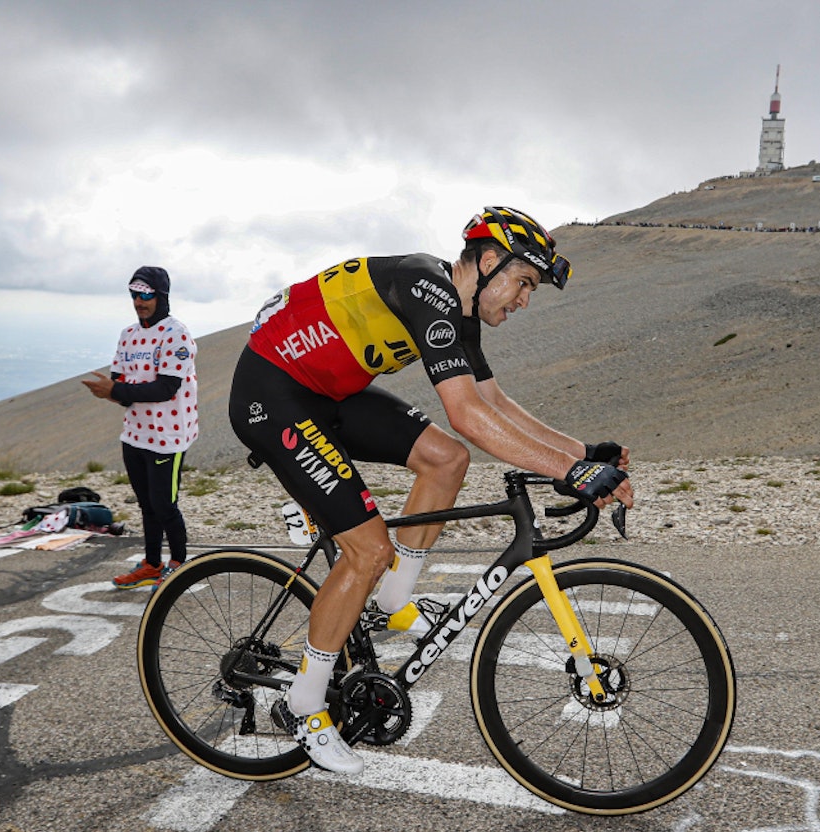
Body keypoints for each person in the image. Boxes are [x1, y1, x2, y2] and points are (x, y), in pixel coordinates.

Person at [228, 206, 633, 774]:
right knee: (368, 551)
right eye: (523, 282)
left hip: (328, 395)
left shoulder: (459, 308)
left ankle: (393, 601)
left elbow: (491, 401)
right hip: (272, 395)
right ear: (488, 263)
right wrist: (570, 472)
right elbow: (466, 413)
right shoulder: (426, 286)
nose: (524, 300)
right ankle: (305, 704)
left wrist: (580, 454)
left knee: (447, 459)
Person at [82, 266, 198, 589]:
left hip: (168, 437)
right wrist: (110, 391)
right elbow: (119, 383)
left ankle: (179, 564)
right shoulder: (128, 335)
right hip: (134, 434)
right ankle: (151, 563)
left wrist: (116, 390)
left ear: (161, 296)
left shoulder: (177, 334)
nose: (138, 302)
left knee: (165, 505)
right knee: (147, 505)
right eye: (134, 294)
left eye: (146, 294)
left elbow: (165, 388)